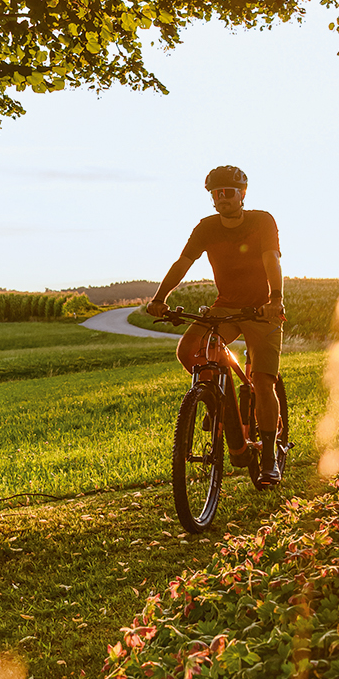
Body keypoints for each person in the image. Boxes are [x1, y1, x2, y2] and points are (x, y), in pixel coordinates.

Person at [146, 165, 285, 485]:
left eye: (229, 192)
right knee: (189, 350)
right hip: (224, 306)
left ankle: (268, 458)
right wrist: (160, 297)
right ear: (212, 197)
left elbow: (271, 259)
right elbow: (183, 262)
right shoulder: (206, 227)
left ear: (242, 194)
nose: (222, 197)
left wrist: (275, 299)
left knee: (264, 383)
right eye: (216, 193)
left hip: (261, 310)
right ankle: (215, 398)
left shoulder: (262, 220)